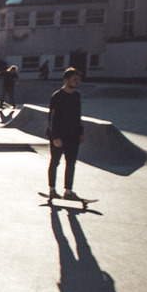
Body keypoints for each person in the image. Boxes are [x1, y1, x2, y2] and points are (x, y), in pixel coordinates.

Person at [47, 67, 85, 199]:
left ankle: (68, 191)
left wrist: (80, 133)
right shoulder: (57, 96)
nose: (76, 82)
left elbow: (78, 116)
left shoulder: (77, 96)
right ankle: (52, 189)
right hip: (59, 135)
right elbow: (51, 117)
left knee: (71, 163)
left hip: (73, 135)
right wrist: (55, 136)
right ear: (66, 79)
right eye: (74, 79)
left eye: (78, 80)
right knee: (55, 162)